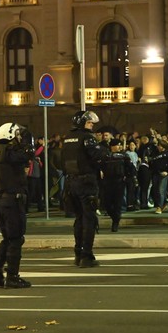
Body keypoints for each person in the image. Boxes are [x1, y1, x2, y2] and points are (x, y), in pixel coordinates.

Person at [0, 122, 34, 288]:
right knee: (16, 239)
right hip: (11, 199)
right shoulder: (8, 150)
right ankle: (12, 276)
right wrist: (26, 142)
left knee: (8, 238)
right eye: (16, 135)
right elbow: (27, 155)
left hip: (1, 199)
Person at [62, 110, 107, 268]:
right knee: (89, 220)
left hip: (71, 183)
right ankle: (86, 256)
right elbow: (97, 155)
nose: (92, 126)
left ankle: (77, 253)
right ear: (82, 122)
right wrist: (105, 152)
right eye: (89, 123)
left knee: (79, 219)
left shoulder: (68, 138)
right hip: (86, 182)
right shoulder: (87, 137)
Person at [100, 138, 133, 232]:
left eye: (120, 145)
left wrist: (128, 177)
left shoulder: (124, 156)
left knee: (117, 203)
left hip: (119, 182)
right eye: (117, 145)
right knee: (107, 204)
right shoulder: (106, 156)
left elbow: (130, 168)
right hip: (108, 182)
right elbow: (100, 167)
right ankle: (115, 218)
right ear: (112, 146)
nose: (119, 147)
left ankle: (115, 222)